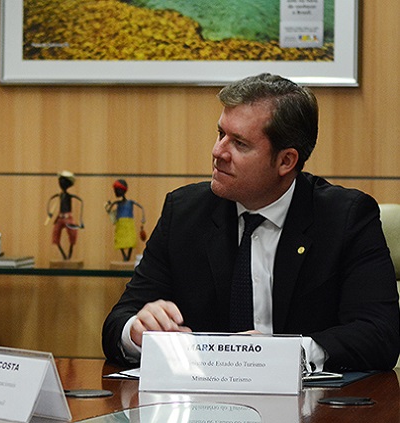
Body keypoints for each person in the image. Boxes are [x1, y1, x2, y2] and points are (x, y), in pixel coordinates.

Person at [102, 73, 400, 372]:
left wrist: (285, 354)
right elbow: (119, 322)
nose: (218, 152)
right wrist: (137, 331)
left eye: (239, 143)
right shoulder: (184, 213)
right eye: (220, 134)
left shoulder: (345, 218)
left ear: (286, 161)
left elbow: (379, 334)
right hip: (203, 395)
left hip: (309, 398)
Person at [45, 170, 84, 260]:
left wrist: (81, 219)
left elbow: (81, 201)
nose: (61, 183)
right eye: (60, 181)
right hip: (60, 217)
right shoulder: (59, 195)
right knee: (55, 235)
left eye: (64, 181)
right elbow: (50, 201)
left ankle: (69, 254)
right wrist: (49, 213)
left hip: (68, 217)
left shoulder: (68, 196)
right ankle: (64, 255)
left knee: (73, 234)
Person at [105, 179, 146, 261]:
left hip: (128, 223)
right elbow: (109, 210)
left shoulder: (130, 202)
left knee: (130, 240)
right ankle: (125, 256)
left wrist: (143, 218)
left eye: (117, 190)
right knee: (120, 240)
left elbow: (141, 207)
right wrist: (108, 205)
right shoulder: (117, 203)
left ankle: (127, 256)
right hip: (120, 223)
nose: (115, 192)